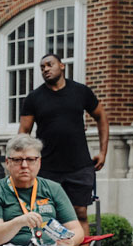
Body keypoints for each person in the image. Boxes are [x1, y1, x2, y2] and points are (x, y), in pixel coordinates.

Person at [0, 133, 88, 246]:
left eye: (30, 159)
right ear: (7, 163)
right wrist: (19, 222)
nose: (24, 165)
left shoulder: (53, 188)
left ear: (39, 162)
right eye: (17, 160)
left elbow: (77, 229)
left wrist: (71, 241)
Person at [19, 54, 107, 228]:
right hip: (47, 167)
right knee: (46, 215)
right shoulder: (34, 98)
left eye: (49, 65)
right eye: (42, 67)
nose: (45, 69)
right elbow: (23, 132)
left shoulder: (81, 92)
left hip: (79, 165)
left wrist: (103, 152)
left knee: (80, 212)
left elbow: (101, 117)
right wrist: (24, 160)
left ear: (61, 65)